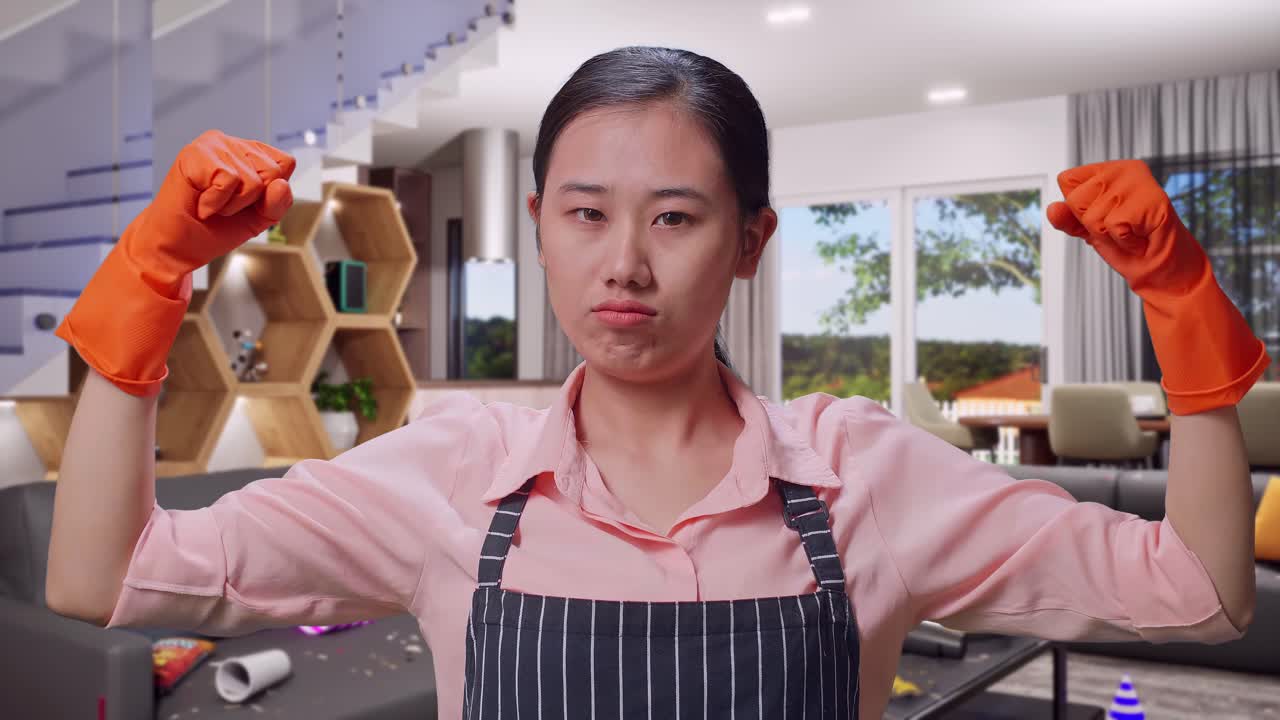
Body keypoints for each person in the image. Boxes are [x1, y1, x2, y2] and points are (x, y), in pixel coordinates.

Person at [46, 46, 1268, 719]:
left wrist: (1180, 308)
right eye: (586, 214)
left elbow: (1200, 594)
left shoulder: (861, 472)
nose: (623, 264)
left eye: (675, 217)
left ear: (748, 242)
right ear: (539, 228)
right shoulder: (446, 475)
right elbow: (101, 573)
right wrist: (148, 281)